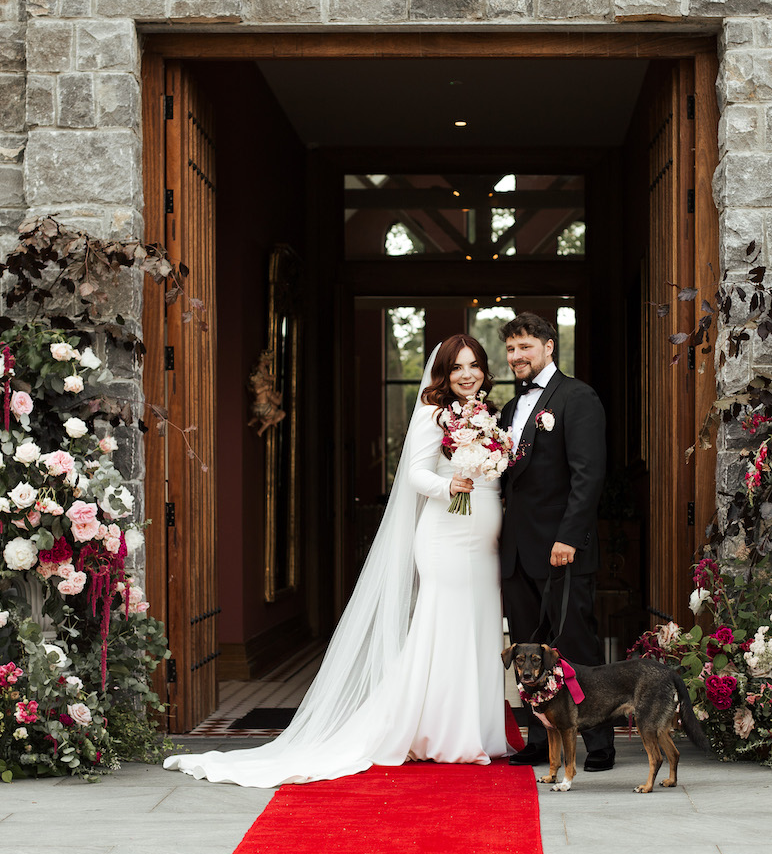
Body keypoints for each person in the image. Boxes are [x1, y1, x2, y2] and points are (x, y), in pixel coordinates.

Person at [164, 335, 512, 786]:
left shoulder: (488, 414)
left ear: (485, 370)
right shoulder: (432, 414)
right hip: (446, 533)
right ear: (443, 373)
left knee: (480, 625)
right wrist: (450, 487)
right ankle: (440, 733)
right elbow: (414, 474)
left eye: (475, 366)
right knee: (443, 626)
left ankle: (479, 730)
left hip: (484, 539)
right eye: (457, 367)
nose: (467, 375)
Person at [497, 313, 614, 771]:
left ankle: (599, 744)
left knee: (575, 645)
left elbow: (589, 473)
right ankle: (538, 739)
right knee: (529, 649)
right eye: (510, 349)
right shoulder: (509, 408)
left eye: (525, 346)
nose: (516, 357)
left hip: (561, 548)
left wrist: (569, 536)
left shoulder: (577, 397)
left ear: (548, 346)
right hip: (517, 552)